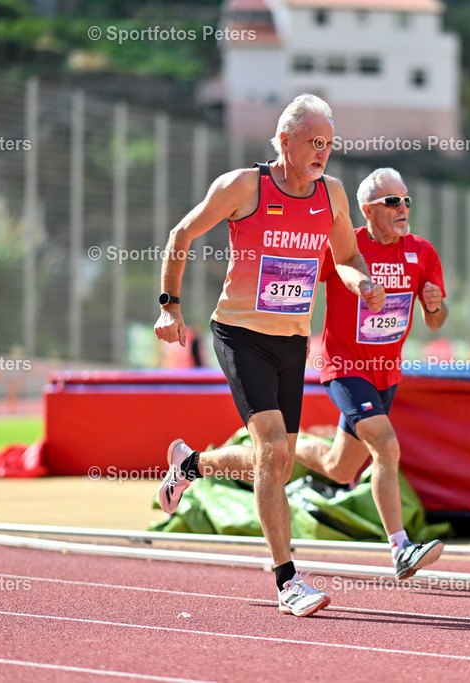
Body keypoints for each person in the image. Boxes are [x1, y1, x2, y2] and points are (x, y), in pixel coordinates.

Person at [153, 94, 385, 618]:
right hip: (240, 334)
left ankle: (190, 463)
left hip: (292, 341)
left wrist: (362, 281)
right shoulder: (243, 187)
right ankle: (288, 581)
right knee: (274, 448)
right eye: (313, 143)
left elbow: (346, 255)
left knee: (274, 466)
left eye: (328, 143)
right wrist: (169, 307)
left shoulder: (333, 194)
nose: (322, 152)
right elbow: (180, 234)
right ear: (284, 141)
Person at [294, 168, 448, 580]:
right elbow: (301, 283)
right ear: (367, 211)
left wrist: (434, 305)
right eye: (392, 202)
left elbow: (436, 323)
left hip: (386, 374)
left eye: (406, 200)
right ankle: (400, 547)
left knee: (340, 467)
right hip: (343, 364)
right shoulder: (347, 247)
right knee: (386, 445)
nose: (403, 209)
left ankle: (283, 445)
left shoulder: (422, 252)